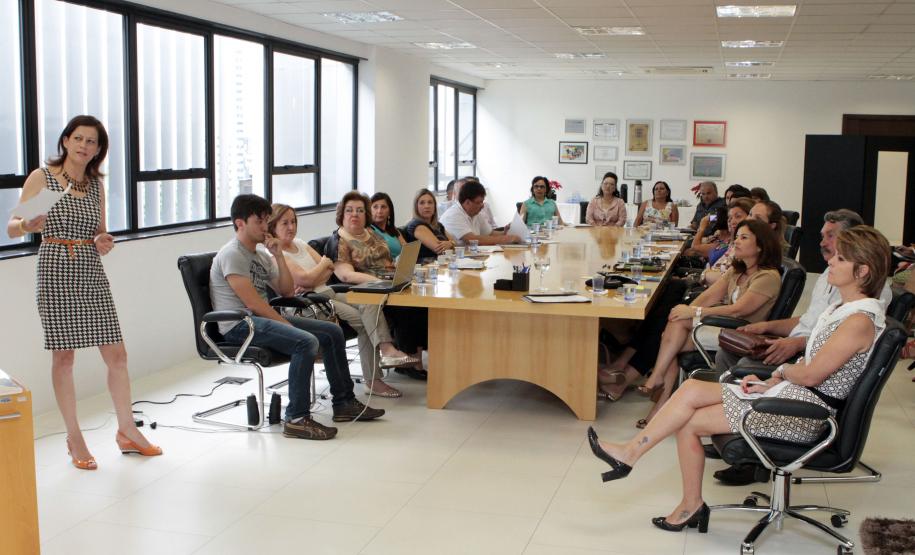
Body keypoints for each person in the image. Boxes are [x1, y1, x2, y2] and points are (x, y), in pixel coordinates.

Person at [587, 225, 890, 533]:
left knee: (691, 423)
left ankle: (678, 496)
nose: (831, 263)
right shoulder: (845, 310)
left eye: (840, 259)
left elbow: (811, 374)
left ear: (862, 271)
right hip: (794, 396)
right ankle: (633, 456)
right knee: (691, 389)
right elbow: (814, 369)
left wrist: (782, 372)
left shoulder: (858, 321)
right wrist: (775, 381)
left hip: (805, 415)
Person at [5, 116, 161, 470]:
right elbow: (13, 228)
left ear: (98, 151)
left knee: (117, 354)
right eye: (79, 139)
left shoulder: (94, 186)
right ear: (65, 141)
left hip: (90, 268)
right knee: (64, 358)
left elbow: (99, 230)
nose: (84, 147)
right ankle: (74, 436)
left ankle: (127, 431)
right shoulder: (44, 179)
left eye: (92, 142)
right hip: (56, 266)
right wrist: (27, 224)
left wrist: (101, 241)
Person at [712, 209, 892, 485]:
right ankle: (739, 442)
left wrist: (788, 358)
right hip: (802, 364)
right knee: (702, 390)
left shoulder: (863, 309)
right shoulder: (831, 285)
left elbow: (828, 352)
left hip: (806, 379)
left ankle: (748, 453)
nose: (825, 246)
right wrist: (769, 328)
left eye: (833, 239)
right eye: (823, 237)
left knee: (705, 393)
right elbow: (809, 322)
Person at [211, 194, 384, 440]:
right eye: (259, 221)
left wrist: (279, 256)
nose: (265, 227)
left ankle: (344, 402)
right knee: (306, 340)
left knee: (332, 332)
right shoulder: (232, 254)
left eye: (266, 221)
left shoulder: (261, 255)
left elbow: (286, 291)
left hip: (261, 320)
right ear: (240, 223)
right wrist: (285, 324)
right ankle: (296, 418)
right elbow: (253, 303)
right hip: (239, 325)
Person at [635, 219, 782, 428]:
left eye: (744, 237)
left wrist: (693, 312)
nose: (736, 241)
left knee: (671, 340)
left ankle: (657, 386)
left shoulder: (768, 277)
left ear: (760, 246)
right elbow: (708, 297)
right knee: (673, 334)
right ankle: (661, 399)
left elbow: (739, 309)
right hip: (722, 327)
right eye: (737, 236)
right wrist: (682, 313)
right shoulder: (737, 270)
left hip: (740, 332)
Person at [268, 203, 416, 398]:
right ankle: (374, 379)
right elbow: (307, 279)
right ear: (273, 226)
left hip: (327, 291)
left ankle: (386, 349)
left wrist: (315, 275)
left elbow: (328, 268)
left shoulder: (301, 244)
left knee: (370, 301)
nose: (291, 227)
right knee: (365, 322)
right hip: (310, 302)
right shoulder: (276, 254)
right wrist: (316, 273)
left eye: (293, 222)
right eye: (285, 223)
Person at [330, 191, 429, 379]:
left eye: (360, 210)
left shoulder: (371, 234)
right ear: (341, 214)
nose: (355, 214)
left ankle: (414, 359)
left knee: (422, 302)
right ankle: (403, 359)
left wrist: (400, 271)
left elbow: (387, 260)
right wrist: (377, 281)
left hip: (387, 283)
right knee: (407, 309)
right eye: (349, 210)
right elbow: (345, 275)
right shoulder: (339, 241)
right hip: (364, 291)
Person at [440, 180, 522, 245]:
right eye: (478, 202)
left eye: (482, 202)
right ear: (467, 202)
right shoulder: (454, 215)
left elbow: (490, 234)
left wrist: (504, 233)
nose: (482, 205)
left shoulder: (475, 213)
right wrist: (507, 238)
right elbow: (472, 240)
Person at [404, 188, 458, 261]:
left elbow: (457, 245)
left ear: (434, 206)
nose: (427, 206)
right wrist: (451, 244)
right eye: (422, 203)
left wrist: (451, 244)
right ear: (416, 207)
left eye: (430, 202)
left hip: (443, 264)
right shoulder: (416, 225)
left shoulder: (438, 225)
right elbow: (440, 250)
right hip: (426, 268)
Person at [369, 192, 407, 259]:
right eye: (375, 207)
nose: (379, 211)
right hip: (383, 268)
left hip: (401, 266)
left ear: (389, 211)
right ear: (370, 210)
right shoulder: (368, 230)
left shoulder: (393, 229)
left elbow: (408, 250)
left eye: (383, 207)